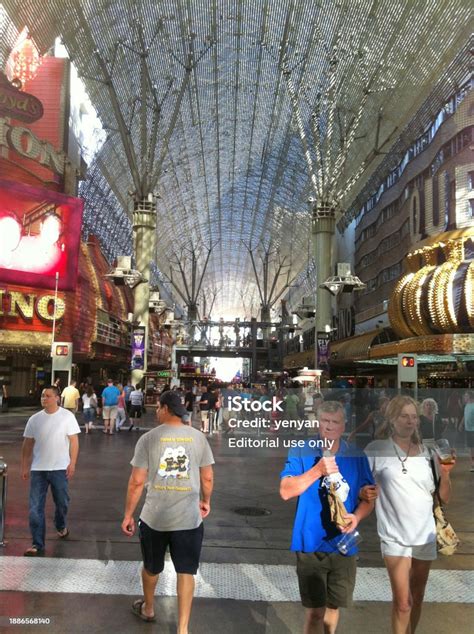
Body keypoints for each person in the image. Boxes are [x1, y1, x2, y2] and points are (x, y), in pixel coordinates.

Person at [122, 390, 214, 631]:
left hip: (154, 518)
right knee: (186, 571)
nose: (156, 412)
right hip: (189, 518)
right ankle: (183, 628)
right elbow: (207, 477)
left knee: (151, 566)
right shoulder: (197, 437)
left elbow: (137, 482)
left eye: (158, 408)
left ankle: (149, 608)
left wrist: (128, 514)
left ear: (164, 408)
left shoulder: (149, 439)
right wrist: (206, 500)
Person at [280, 401, 375, 634]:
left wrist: (357, 517)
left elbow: (368, 498)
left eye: (335, 422)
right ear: (318, 423)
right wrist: (318, 470)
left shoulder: (356, 455)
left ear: (344, 426)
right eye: (325, 421)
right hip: (310, 541)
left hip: (343, 543)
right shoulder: (302, 450)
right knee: (314, 612)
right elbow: (285, 491)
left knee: (333, 606)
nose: (329, 427)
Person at [363, 395, 455, 634]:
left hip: (425, 535)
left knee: (418, 596)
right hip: (394, 537)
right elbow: (359, 486)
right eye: (404, 416)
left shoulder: (428, 453)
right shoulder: (376, 450)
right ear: (392, 419)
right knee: (403, 603)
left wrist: (445, 473)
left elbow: (443, 497)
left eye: (414, 416)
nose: (410, 421)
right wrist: (364, 493)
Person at [20, 385, 81, 556]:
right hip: (38, 469)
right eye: (42, 396)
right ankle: (37, 544)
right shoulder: (34, 419)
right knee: (35, 508)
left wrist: (73, 463)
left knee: (62, 502)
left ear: (57, 398)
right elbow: (27, 444)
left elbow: (74, 441)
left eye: (47, 396)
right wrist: (25, 465)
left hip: (60, 468)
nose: (44, 399)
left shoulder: (67, 417)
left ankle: (60, 524)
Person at [459, 391, 474, 472]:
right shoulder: (467, 405)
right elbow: (465, 415)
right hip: (468, 430)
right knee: (471, 448)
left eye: (466, 396)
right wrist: (461, 424)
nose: (464, 397)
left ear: (470, 396)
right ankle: (473, 464)